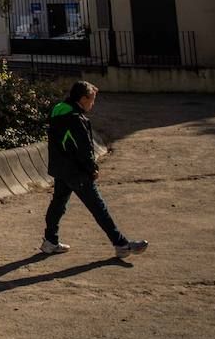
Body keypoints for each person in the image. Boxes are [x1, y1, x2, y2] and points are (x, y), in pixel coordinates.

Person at [40, 80, 148, 259]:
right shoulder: (76, 118)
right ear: (82, 99)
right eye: (92, 99)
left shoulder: (57, 110)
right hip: (77, 171)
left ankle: (50, 241)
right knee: (98, 208)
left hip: (60, 168)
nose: (93, 103)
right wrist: (92, 169)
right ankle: (121, 244)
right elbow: (84, 149)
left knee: (58, 205)